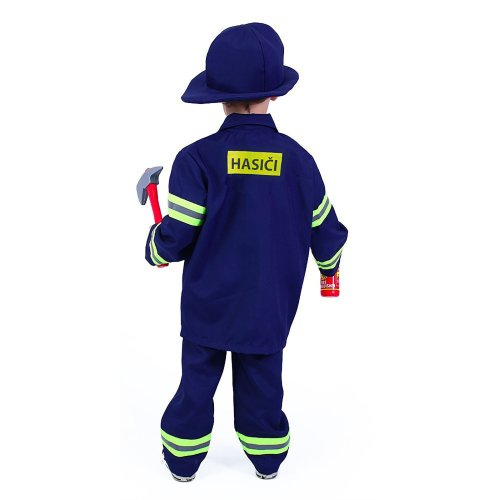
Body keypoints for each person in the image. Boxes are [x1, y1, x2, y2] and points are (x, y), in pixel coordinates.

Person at [145, 22, 348, 481]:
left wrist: (154, 247)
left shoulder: (196, 159)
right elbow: (326, 229)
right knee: (263, 386)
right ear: (274, 93)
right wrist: (329, 269)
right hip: (268, 308)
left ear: (218, 97)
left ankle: (182, 464)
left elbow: (177, 235)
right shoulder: (299, 161)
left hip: (208, 308)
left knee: (196, 385)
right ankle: (267, 463)